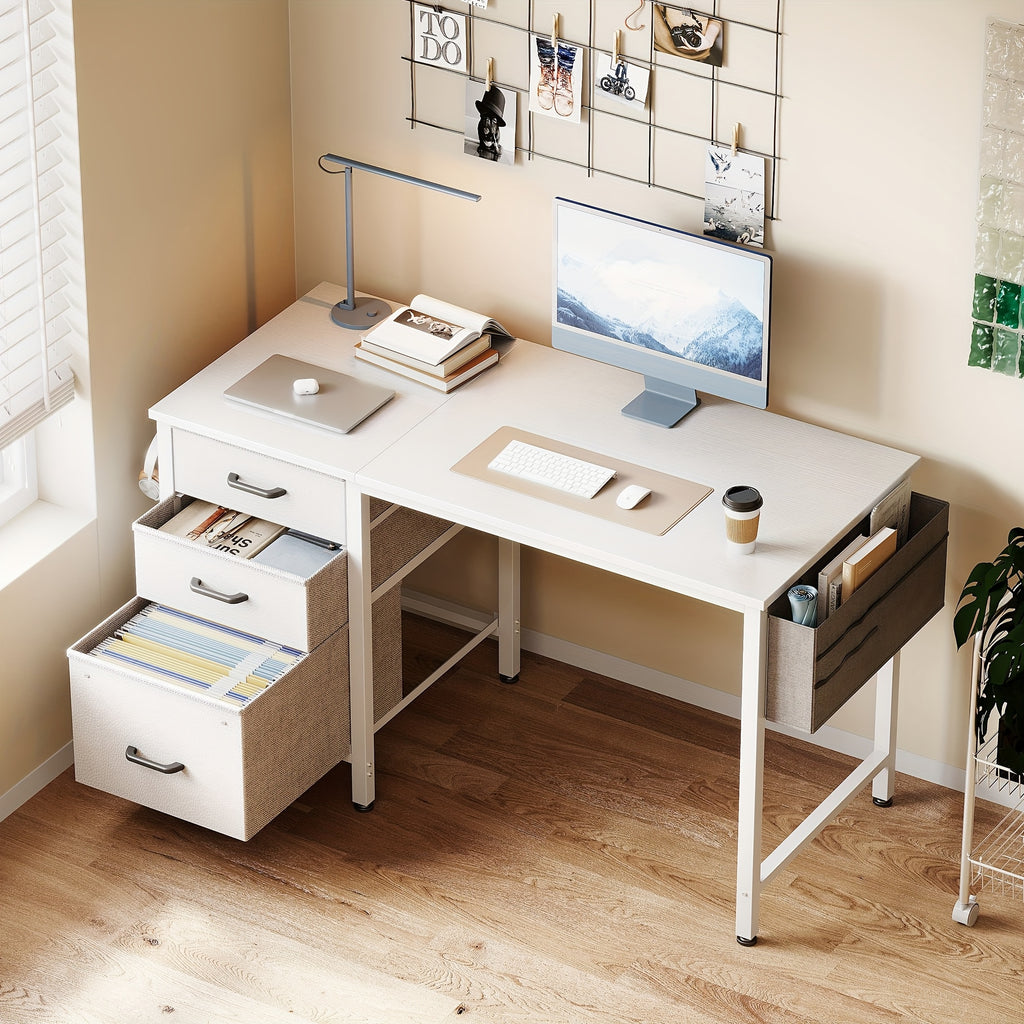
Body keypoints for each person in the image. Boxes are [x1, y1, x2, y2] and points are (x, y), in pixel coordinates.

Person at [474, 84, 505, 161]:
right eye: (487, 118)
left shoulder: (495, 134)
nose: (489, 122)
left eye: (494, 120)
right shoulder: (482, 126)